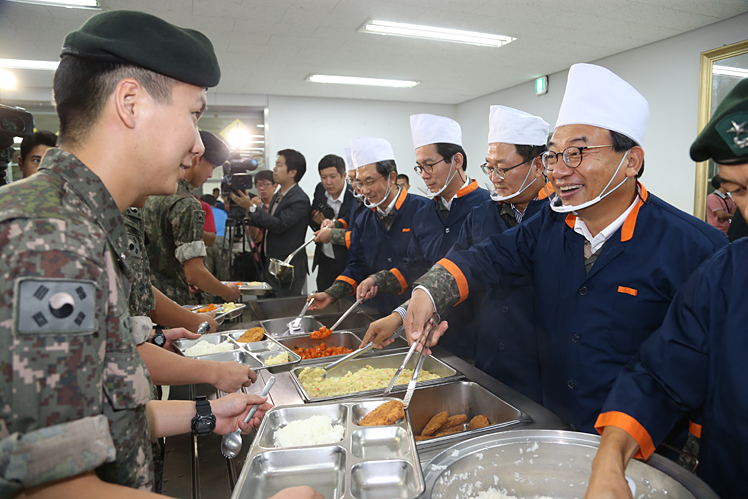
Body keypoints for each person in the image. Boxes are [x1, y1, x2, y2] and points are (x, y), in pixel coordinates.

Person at [0, 10, 284, 498]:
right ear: (130, 102)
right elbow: (52, 487)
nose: (197, 145)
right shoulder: (52, 237)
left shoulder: (84, 221)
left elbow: (102, 415)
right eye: (193, 114)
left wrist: (205, 414)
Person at [403, 64, 727, 434]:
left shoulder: (697, 249)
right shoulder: (550, 225)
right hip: (555, 425)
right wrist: (428, 291)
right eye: (554, 156)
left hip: (643, 443)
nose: (558, 171)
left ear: (631, 161)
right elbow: (487, 256)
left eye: (577, 153)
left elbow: (707, 369)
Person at [585, 77, 748, 499]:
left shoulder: (690, 240)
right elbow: (660, 375)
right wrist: (609, 458)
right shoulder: (728, 272)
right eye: (740, 191)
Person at [356, 114, 491, 360]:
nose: (424, 174)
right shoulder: (424, 213)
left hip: (477, 337)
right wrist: (379, 279)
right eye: (420, 167)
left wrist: (401, 314)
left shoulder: (486, 208)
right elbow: (415, 267)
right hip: (430, 336)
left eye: (430, 165)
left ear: (457, 160)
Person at [307, 137, 429, 315]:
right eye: (359, 183)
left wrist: (377, 280)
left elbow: (422, 265)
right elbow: (357, 265)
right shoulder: (364, 218)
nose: (364, 191)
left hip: (415, 311)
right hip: (375, 311)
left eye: (369, 182)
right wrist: (331, 294)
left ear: (392, 177)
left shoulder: (423, 210)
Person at [144, 130, 239, 305]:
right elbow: (195, 273)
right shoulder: (187, 204)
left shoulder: (152, 193)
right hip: (174, 305)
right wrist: (227, 292)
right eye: (212, 168)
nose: (211, 175)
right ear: (198, 159)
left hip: (146, 299)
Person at [232, 149, 311, 296]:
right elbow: (269, 224)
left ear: (292, 172)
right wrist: (248, 217)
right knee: (269, 307)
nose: (274, 169)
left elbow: (278, 225)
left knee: (285, 310)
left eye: (279, 165)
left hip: (287, 269)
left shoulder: (299, 199)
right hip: (270, 265)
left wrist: (251, 207)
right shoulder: (278, 196)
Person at [310, 154, 356, 290]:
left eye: (332, 176)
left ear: (344, 175)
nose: (328, 182)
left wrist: (333, 231)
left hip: (347, 261)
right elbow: (312, 215)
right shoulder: (320, 190)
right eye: (323, 177)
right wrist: (316, 221)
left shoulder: (354, 196)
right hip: (325, 259)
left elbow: (356, 229)